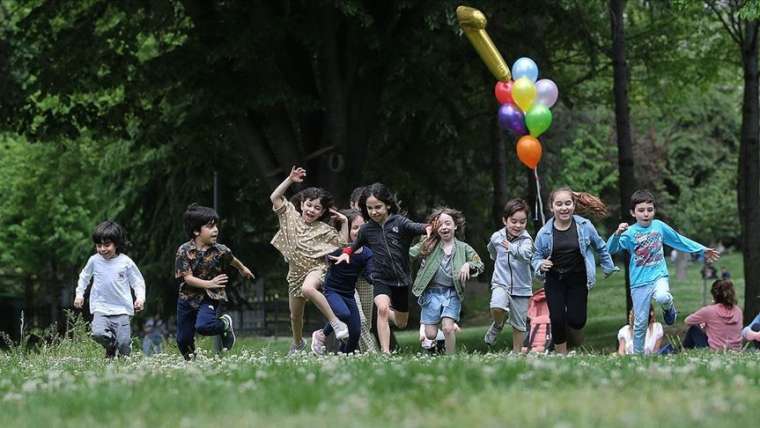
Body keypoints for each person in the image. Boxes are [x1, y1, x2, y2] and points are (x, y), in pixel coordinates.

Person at [607, 190, 720, 355]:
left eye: (650, 209)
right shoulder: (629, 233)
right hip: (639, 282)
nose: (646, 213)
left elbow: (678, 240)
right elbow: (611, 248)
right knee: (639, 324)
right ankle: (638, 359)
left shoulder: (659, 226)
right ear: (633, 212)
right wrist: (617, 234)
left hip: (658, 275)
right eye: (641, 210)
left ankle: (669, 309)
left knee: (662, 296)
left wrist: (702, 249)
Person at [333, 183, 430, 353]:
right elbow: (354, 245)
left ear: (388, 205)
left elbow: (419, 227)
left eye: (378, 207)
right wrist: (346, 253)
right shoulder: (367, 229)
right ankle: (385, 353)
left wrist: (428, 229)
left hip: (401, 279)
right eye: (370, 208)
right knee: (382, 309)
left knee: (401, 322)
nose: (374, 212)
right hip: (380, 277)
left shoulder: (400, 223)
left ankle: (400, 317)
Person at [270, 166, 350, 353]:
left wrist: (345, 222)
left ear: (322, 212)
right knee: (295, 316)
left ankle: (336, 323)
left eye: (317, 208)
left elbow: (343, 244)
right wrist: (290, 179)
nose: (312, 210)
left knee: (308, 288)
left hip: (316, 269)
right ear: (301, 204)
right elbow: (274, 197)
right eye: (309, 205)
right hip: (295, 273)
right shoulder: (289, 215)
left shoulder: (324, 229)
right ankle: (298, 344)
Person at [531, 187, 617, 354]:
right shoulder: (544, 233)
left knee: (577, 321)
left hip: (577, 279)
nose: (564, 208)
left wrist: (608, 266)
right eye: (559, 204)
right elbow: (535, 257)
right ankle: (561, 355)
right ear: (552, 207)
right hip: (554, 280)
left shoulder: (584, 226)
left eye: (568, 203)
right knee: (556, 319)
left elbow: (600, 246)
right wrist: (540, 264)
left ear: (573, 205)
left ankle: (572, 340)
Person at [175, 204, 254, 360]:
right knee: (183, 339)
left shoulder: (220, 250)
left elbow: (232, 260)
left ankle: (224, 324)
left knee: (204, 326)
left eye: (216, 225)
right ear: (196, 231)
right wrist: (209, 283)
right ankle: (192, 364)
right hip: (186, 298)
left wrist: (243, 269)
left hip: (209, 296)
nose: (216, 230)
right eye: (210, 227)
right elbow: (187, 278)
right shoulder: (184, 250)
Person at [410, 208, 483, 354]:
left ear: (455, 226)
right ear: (436, 228)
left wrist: (468, 265)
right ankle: (433, 334)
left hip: (451, 293)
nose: (444, 227)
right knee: (430, 334)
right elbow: (410, 252)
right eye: (440, 224)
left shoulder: (463, 248)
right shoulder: (429, 245)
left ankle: (451, 358)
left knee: (448, 328)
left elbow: (479, 264)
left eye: (448, 223)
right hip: (431, 293)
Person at [74, 221, 146, 358]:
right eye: (99, 245)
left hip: (122, 309)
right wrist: (79, 295)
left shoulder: (126, 262)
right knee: (98, 333)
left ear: (116, 244)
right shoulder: (94, 261)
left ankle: (123, 363)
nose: (102, 249)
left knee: (124, 344)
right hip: (101, 308)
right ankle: (110, 347)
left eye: (107, 245)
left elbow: (137, 282)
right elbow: (84, 277)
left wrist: (140, 298)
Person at [311, 209, 372, 354]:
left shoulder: (367, 253)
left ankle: (345, 356)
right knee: (344, 314)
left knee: (356, 332)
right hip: (332, 291)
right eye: (355, 228)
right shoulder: (339, 248)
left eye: (362, 227)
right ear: (348, 230)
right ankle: (321, 334)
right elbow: (338, 247)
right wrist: (344, 222)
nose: (359, 231)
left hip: (349, 295)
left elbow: (371, 274)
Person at [484, 199, 534, 352]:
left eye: (522, 222)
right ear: (505, 220)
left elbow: (526, 255)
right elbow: (492, 251)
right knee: (497, 306)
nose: (518, 226)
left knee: (519, 324)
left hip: (522, 287)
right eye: (513, 221)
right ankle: (498, 324)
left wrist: (511, 248)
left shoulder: (527, 240)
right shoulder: (496, 237)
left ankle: (517, 354)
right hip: (501, 282)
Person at [683, 279, 743, 351]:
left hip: (715, 350)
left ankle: (682, 351)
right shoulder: (738, 311)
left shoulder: (709, 311)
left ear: (714, 294)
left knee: (694, 329)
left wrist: (703, 325)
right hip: (735, 350)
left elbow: (687, 321)